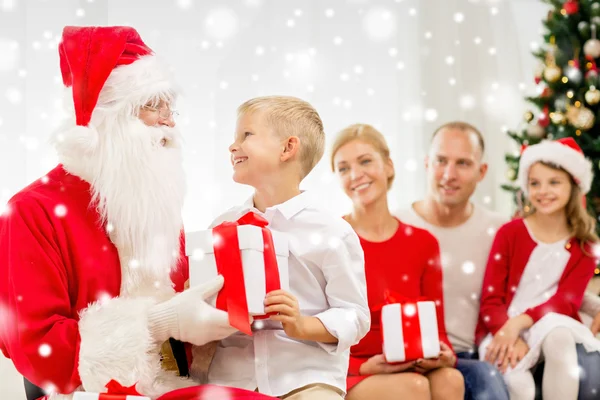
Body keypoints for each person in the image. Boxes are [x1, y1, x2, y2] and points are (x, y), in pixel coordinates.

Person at [0, 26, 271, 400]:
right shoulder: (31, 211)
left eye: (169, 106)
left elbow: (185, 327)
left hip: (175, 386)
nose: (170, 121)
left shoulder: (153, 204)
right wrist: (159, 323)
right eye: (153, 106)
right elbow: (38, 352)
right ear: (110, 115)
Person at [205, 96, 370, 400]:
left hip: (306, 381)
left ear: (287, 148)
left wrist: (303, 325)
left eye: (246, 135)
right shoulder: (222, 227)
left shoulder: (332, 232)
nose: (233, 146)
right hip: (232, 382)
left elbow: (356, 315)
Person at [330, 123, 465, 400]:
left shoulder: (423, 243)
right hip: (351, 370)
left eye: (365, 161)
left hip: (409, 361)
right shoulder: (332, 240)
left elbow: (436, 327)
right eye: (343, 168)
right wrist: (365, 366)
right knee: (411, 388)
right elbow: (317, 333)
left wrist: (445, 355)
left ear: (388, 166)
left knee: (450, 379)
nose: (356, 174)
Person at [477, 137, 600, 400]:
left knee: (559, 336)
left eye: (554, 182)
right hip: (503, 326)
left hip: (550, 322)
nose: (543, 191)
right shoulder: (510, 233)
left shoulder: (585, 245)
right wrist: (509, 331)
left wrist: (523, 322)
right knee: (520, 386)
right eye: (535, 183)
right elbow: (491, 299)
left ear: (574, 186)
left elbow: (567, 300)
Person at [397, 121, 511, 400]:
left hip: (467, 354)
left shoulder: (499, 230)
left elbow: (530, 287)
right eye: (440, 161)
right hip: (406, 355)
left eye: (462, 163)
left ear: (481, 171)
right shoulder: (396, 224)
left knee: (488, 377)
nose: (449, 175)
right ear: (426, 163)